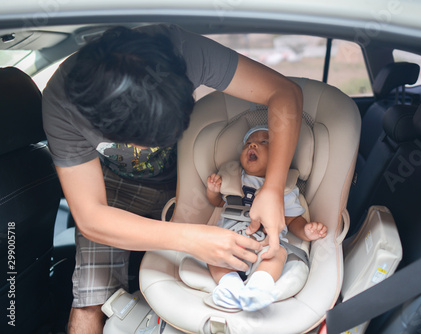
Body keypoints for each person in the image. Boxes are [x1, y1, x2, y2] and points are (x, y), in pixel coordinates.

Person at [42, 24, 303, 333]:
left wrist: (272, 188)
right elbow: (90, 217)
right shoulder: (62, 103)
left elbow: (284, 92)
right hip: (113, 193)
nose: (148, 149)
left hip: (187, 180)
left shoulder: (186, 51)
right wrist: (190, 238)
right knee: (89, 299)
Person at [206, 126, 327, 311]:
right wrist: (213, 192)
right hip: (230, 241)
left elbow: (292, 220)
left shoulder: (285, 188)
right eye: (248, 143)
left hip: (266, 244)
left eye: (264, 141)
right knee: (212, 253)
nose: (253, 144)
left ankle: (259, 287)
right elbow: (220, 204)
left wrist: (306, 231)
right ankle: (229, 286)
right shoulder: (232, 179)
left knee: (278, 254)